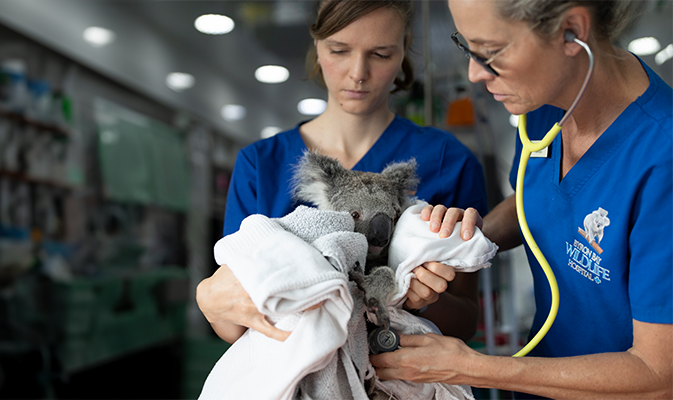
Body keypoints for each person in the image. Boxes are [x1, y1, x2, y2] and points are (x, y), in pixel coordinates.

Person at [370, 0, 673, 398]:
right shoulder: (544, 106)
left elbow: (657, 375)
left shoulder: (661, 157)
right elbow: (539, 199)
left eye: (491, 53)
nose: (474, 74)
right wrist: (458, 242)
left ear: (572, 31)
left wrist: (468, 367)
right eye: (467, 48)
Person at [196, 0, 488, 347]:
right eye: (339, 50)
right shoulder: (260, 164)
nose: (358, 73)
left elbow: (467, 321)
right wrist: (212, 304)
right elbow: (236, 326)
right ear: (316, 44)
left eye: (380, 54)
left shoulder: (448, 160)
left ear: (403, 48)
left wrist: (423, 298)